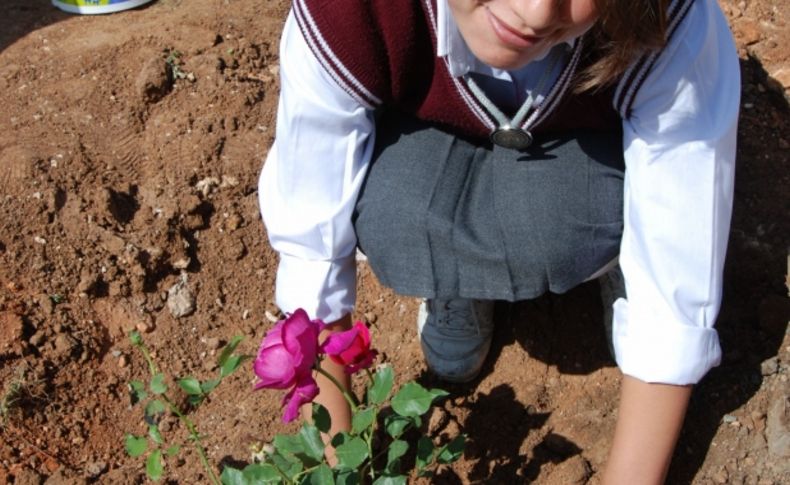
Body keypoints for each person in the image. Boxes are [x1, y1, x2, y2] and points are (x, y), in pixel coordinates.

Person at [258, 0, 739, 482]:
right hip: (424, 137)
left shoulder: (670, 21)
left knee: (580, 228)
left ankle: (617, 261)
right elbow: (314, 243)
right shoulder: (347, 13)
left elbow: (677, 266)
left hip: (580, 156)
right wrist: (341, 467)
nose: (536, 11)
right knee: (391, 208)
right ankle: (453, 279)